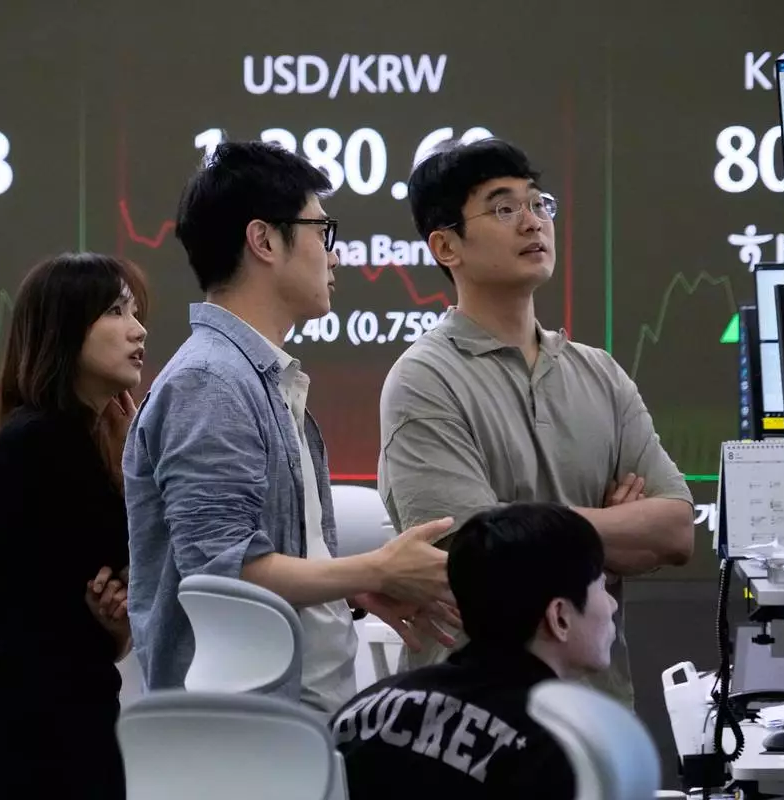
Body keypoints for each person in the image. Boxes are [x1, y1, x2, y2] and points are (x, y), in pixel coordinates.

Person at [123, 140, 459, 716]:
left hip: (289, 726)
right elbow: (225, 574)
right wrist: (377, 565)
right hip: (246, 738)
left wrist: (348, 585)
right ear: (265, 240)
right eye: (322, 232)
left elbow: (260, 551)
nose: (334, 257)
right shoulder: (211, 382)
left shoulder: (255, 377)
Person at [378, 137, 695, 705]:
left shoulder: (599, 372)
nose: (533, 222)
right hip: (473, 720)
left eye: (538, 203)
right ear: (446, 246)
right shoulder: (424, 379)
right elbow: (478, 561)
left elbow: (675, 529)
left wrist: (529, 528)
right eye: (504, 208)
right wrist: (609, 531)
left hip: (598, 707)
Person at [0, 252, 148, 800]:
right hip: (39, 747)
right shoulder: (41, 439)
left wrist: (114, 629)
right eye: (116, 312)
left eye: (135, 312)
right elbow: (150, 547)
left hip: (71, 729)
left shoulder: (70, 440)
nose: (138, 330)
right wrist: (134, 461)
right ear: (65, 328)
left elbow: (82, 609)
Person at [331, 503, 620, 798]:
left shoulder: (363, 712)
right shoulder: (562, 749)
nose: (612, 605)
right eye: (601, 587)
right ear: (559, 617)